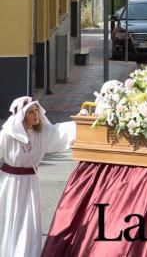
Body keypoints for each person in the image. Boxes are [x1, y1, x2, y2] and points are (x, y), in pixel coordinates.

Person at [0, 96, 76, 257]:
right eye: (31, 112)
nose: (36, 114)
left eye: (36, 110)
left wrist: (82, 122)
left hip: (30, 183)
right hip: (9, 183)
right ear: (21, 116)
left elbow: (61, 131)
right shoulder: (6, 135)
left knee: (28, 220)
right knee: (8, 217)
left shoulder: (41, 133)